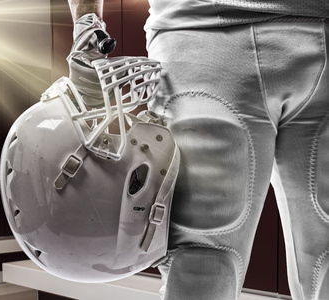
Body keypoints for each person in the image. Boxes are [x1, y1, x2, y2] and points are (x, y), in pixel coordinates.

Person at [67, 1, 329, 299]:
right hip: (202, 34)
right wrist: (86, 21)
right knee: (201, 267)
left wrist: (86, 22)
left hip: (202, 39)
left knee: (202, 266)